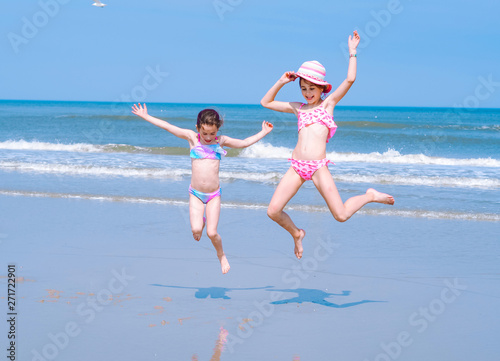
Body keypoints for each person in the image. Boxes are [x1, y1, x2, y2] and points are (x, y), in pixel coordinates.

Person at [260, 31, 394, 260]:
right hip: (297, 166)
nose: (307, 93)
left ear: (322, 89)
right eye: (303, 88)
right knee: (273, 211)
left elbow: (350, 80)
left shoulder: (328, 105)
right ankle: (297, 233)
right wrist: (282, 81)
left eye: (312, 89)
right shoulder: (298, 108)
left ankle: (369, 196)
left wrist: (352, 52)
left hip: (318, 167)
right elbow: (266, 102)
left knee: (341, 215)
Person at [131, 103, 273, 273]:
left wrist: (263, 132)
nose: (208, 137)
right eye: (204, 132)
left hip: (214, 195)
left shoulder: (221, 141)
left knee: (212, 233)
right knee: (196, 229)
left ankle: (221, 256)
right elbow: (168, 127)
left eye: (212, 133)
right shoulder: (192, 138)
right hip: (196, 195)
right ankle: (201, 222)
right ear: (197, 128)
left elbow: (243, 143)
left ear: (217, 129)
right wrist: (146, 116)